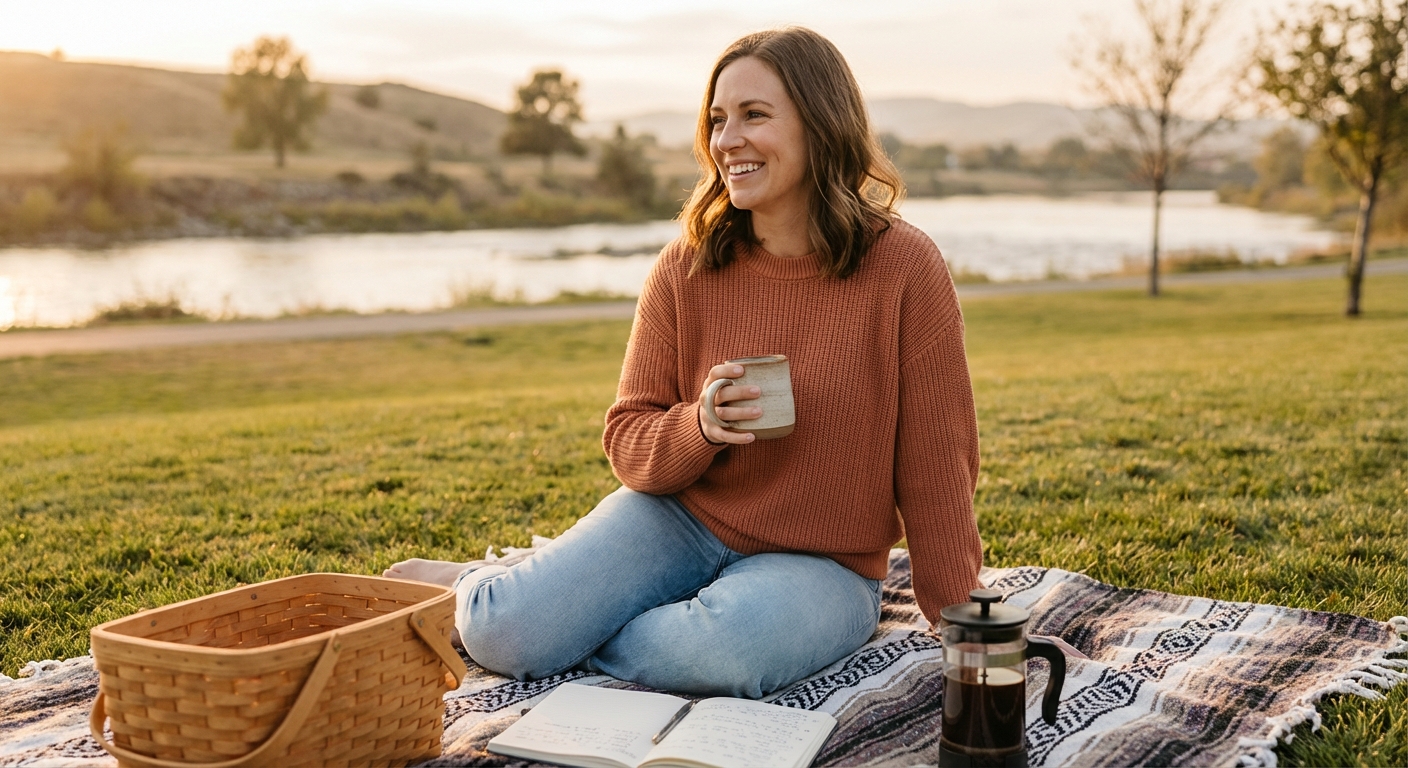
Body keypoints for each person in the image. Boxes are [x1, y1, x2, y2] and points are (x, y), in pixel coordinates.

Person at [385, 26, 983, 699]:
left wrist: (961, 615)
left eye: (755, 115)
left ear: (822, 124)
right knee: (504, 634)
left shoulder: (904, 266)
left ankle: (567, 604)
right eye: (718, 120)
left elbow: (939, 457)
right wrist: (698, 426)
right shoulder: (686, 266)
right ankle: (490, 585)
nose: (727, 140)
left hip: (825, 563)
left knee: (717, 655)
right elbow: (628, 438)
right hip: (681, 518)